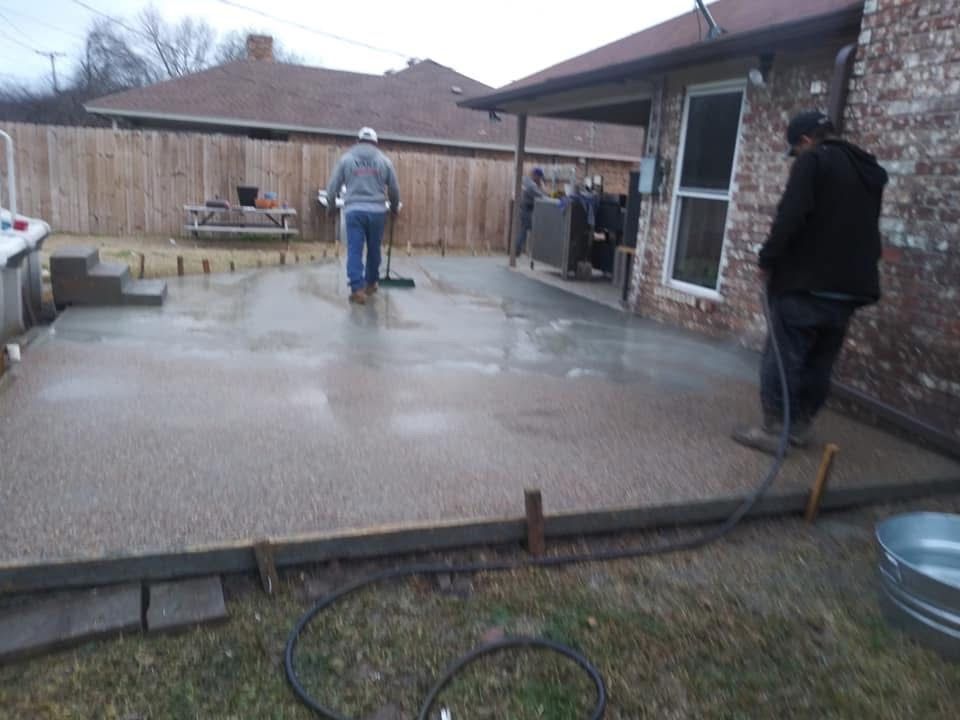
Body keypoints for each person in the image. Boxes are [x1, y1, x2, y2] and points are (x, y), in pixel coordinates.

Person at [733, 110, 888, 454]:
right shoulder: (866, 169)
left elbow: (791, 215)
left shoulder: (813, 160)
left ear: (805, 140)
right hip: (849, 289)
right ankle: (800, 427)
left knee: (784, 357)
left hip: (805, 283)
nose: (796, 156)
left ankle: (775, 430)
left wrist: (767, 259)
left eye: (795, 150)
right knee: (820, 361)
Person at [326, 127, 401, 304]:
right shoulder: (384, 161)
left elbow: (333, 186)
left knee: (355, 249)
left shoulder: (346, 159)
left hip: (354, 211)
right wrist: (394, 207)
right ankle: (371, 283)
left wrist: (331, 207)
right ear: (375, 142)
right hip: (377, 212)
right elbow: (394, 188)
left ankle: (357, 288)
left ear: (358, 141)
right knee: (374, 249)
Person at [514, 167, 548, 256]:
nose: (540, 179)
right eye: (540, 177)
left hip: (525, 209)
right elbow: (542, 196)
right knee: (528, 230)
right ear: (536, 176)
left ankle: (517, 250)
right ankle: (518, 250)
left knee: (524, 230)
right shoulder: (532, 186)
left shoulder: (526, 181)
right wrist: (542, 186)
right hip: (527, 210)